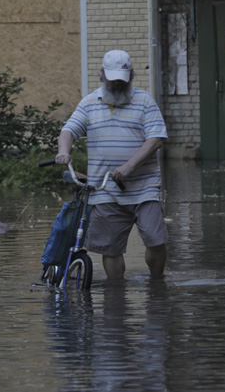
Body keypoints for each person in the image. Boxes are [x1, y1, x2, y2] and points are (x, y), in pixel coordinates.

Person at [54, 49, 168, 280]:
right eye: (112, 79)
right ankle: (116, 291)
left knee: (155, 239)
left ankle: (157, 282)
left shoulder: (145, 101)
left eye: (121, 80)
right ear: (102, 76)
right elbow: (69, 130)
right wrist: (63, 151)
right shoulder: (89, 103)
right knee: (110, 247)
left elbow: (156, 139)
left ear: (131, 76)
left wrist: (129, 167)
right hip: (105, 189)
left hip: (144, 186)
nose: (116, 84)